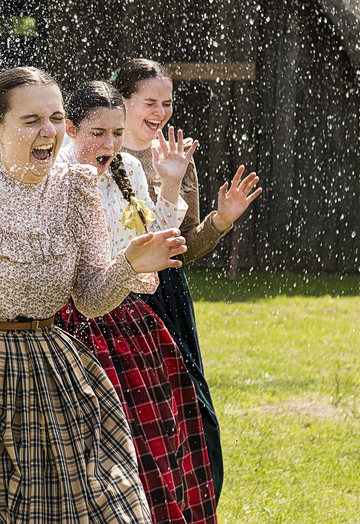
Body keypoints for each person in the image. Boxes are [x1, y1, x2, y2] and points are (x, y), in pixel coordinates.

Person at [0, 66, 188, 524]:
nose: (48, 131)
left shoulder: (76, 189)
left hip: (51, 368)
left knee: (91, 507)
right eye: (31, 121)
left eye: (55, 117)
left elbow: (87, 298)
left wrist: (128, 267)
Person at [56, 80, 217, 523]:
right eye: (97, 133)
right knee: (82, 454)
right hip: (67, 326)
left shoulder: (128, 168)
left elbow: (158, 241)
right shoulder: (53, 175)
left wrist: (169, 184)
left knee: (151, 442)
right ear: (70, 130)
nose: (109, 143)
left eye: (116, 133)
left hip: (128, 320)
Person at [115, 58, 262, 503]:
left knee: (185, 407)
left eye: (168, 102)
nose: (160, 112)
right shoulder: (96, 148)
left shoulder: (177, 157)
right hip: (111, 293)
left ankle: (185, 499)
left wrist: (220, 220)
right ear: (122, 100)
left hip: (165, 297)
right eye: (149, 102)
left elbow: (182, 246)